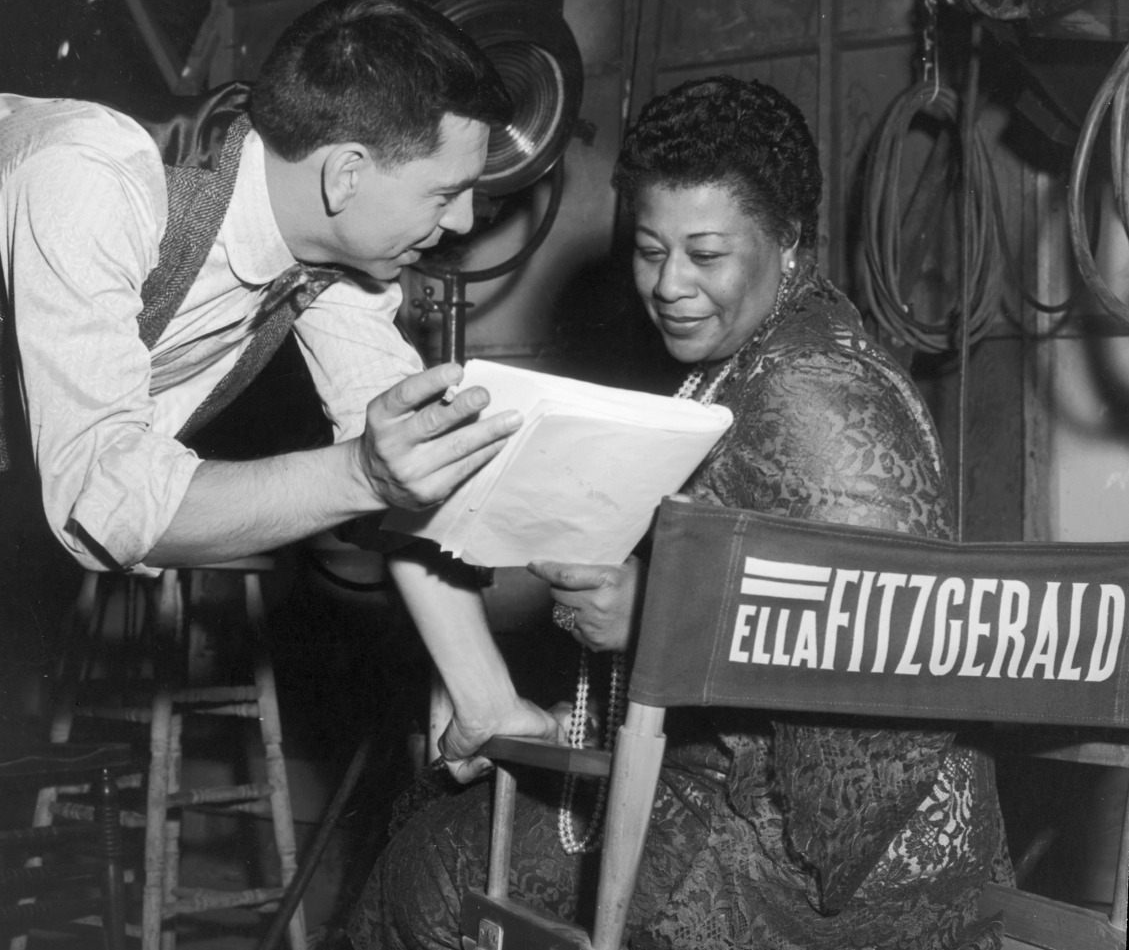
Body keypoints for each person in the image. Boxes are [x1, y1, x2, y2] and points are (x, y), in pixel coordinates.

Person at [347, 76, 1010, 949]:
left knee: (435, 874)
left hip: (843, 862)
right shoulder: (763, 354)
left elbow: (895, 645)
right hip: (756, 790)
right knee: (443, 838)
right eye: (650, 250)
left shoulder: (812, 392)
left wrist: (657, 613)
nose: (669, 284)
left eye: (705, 253)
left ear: (788, 240)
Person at [0, 0, 560, 759]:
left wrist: (485, 700)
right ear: (346, 175)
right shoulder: (93, 178)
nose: (463, 221)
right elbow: (107, 498)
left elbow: (407, 451)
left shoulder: (333, 248)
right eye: (444, 191)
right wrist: (361, 477)